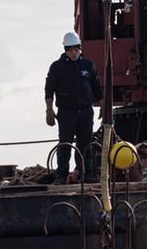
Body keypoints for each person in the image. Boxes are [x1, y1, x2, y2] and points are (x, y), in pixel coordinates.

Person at [44, 31, 103, 185]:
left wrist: (102, 106)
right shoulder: (57, 67)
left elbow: (96, 87)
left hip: (85, 111)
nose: (74, 52)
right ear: (65, 50)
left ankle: (87, 173)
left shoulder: (88, 66)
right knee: (65, 144)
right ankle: (61, 175)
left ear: (80, 48)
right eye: (70, 50)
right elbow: (49, 89)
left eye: (76, 49)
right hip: (66, 113)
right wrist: (49, 110)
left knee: (86, 144)